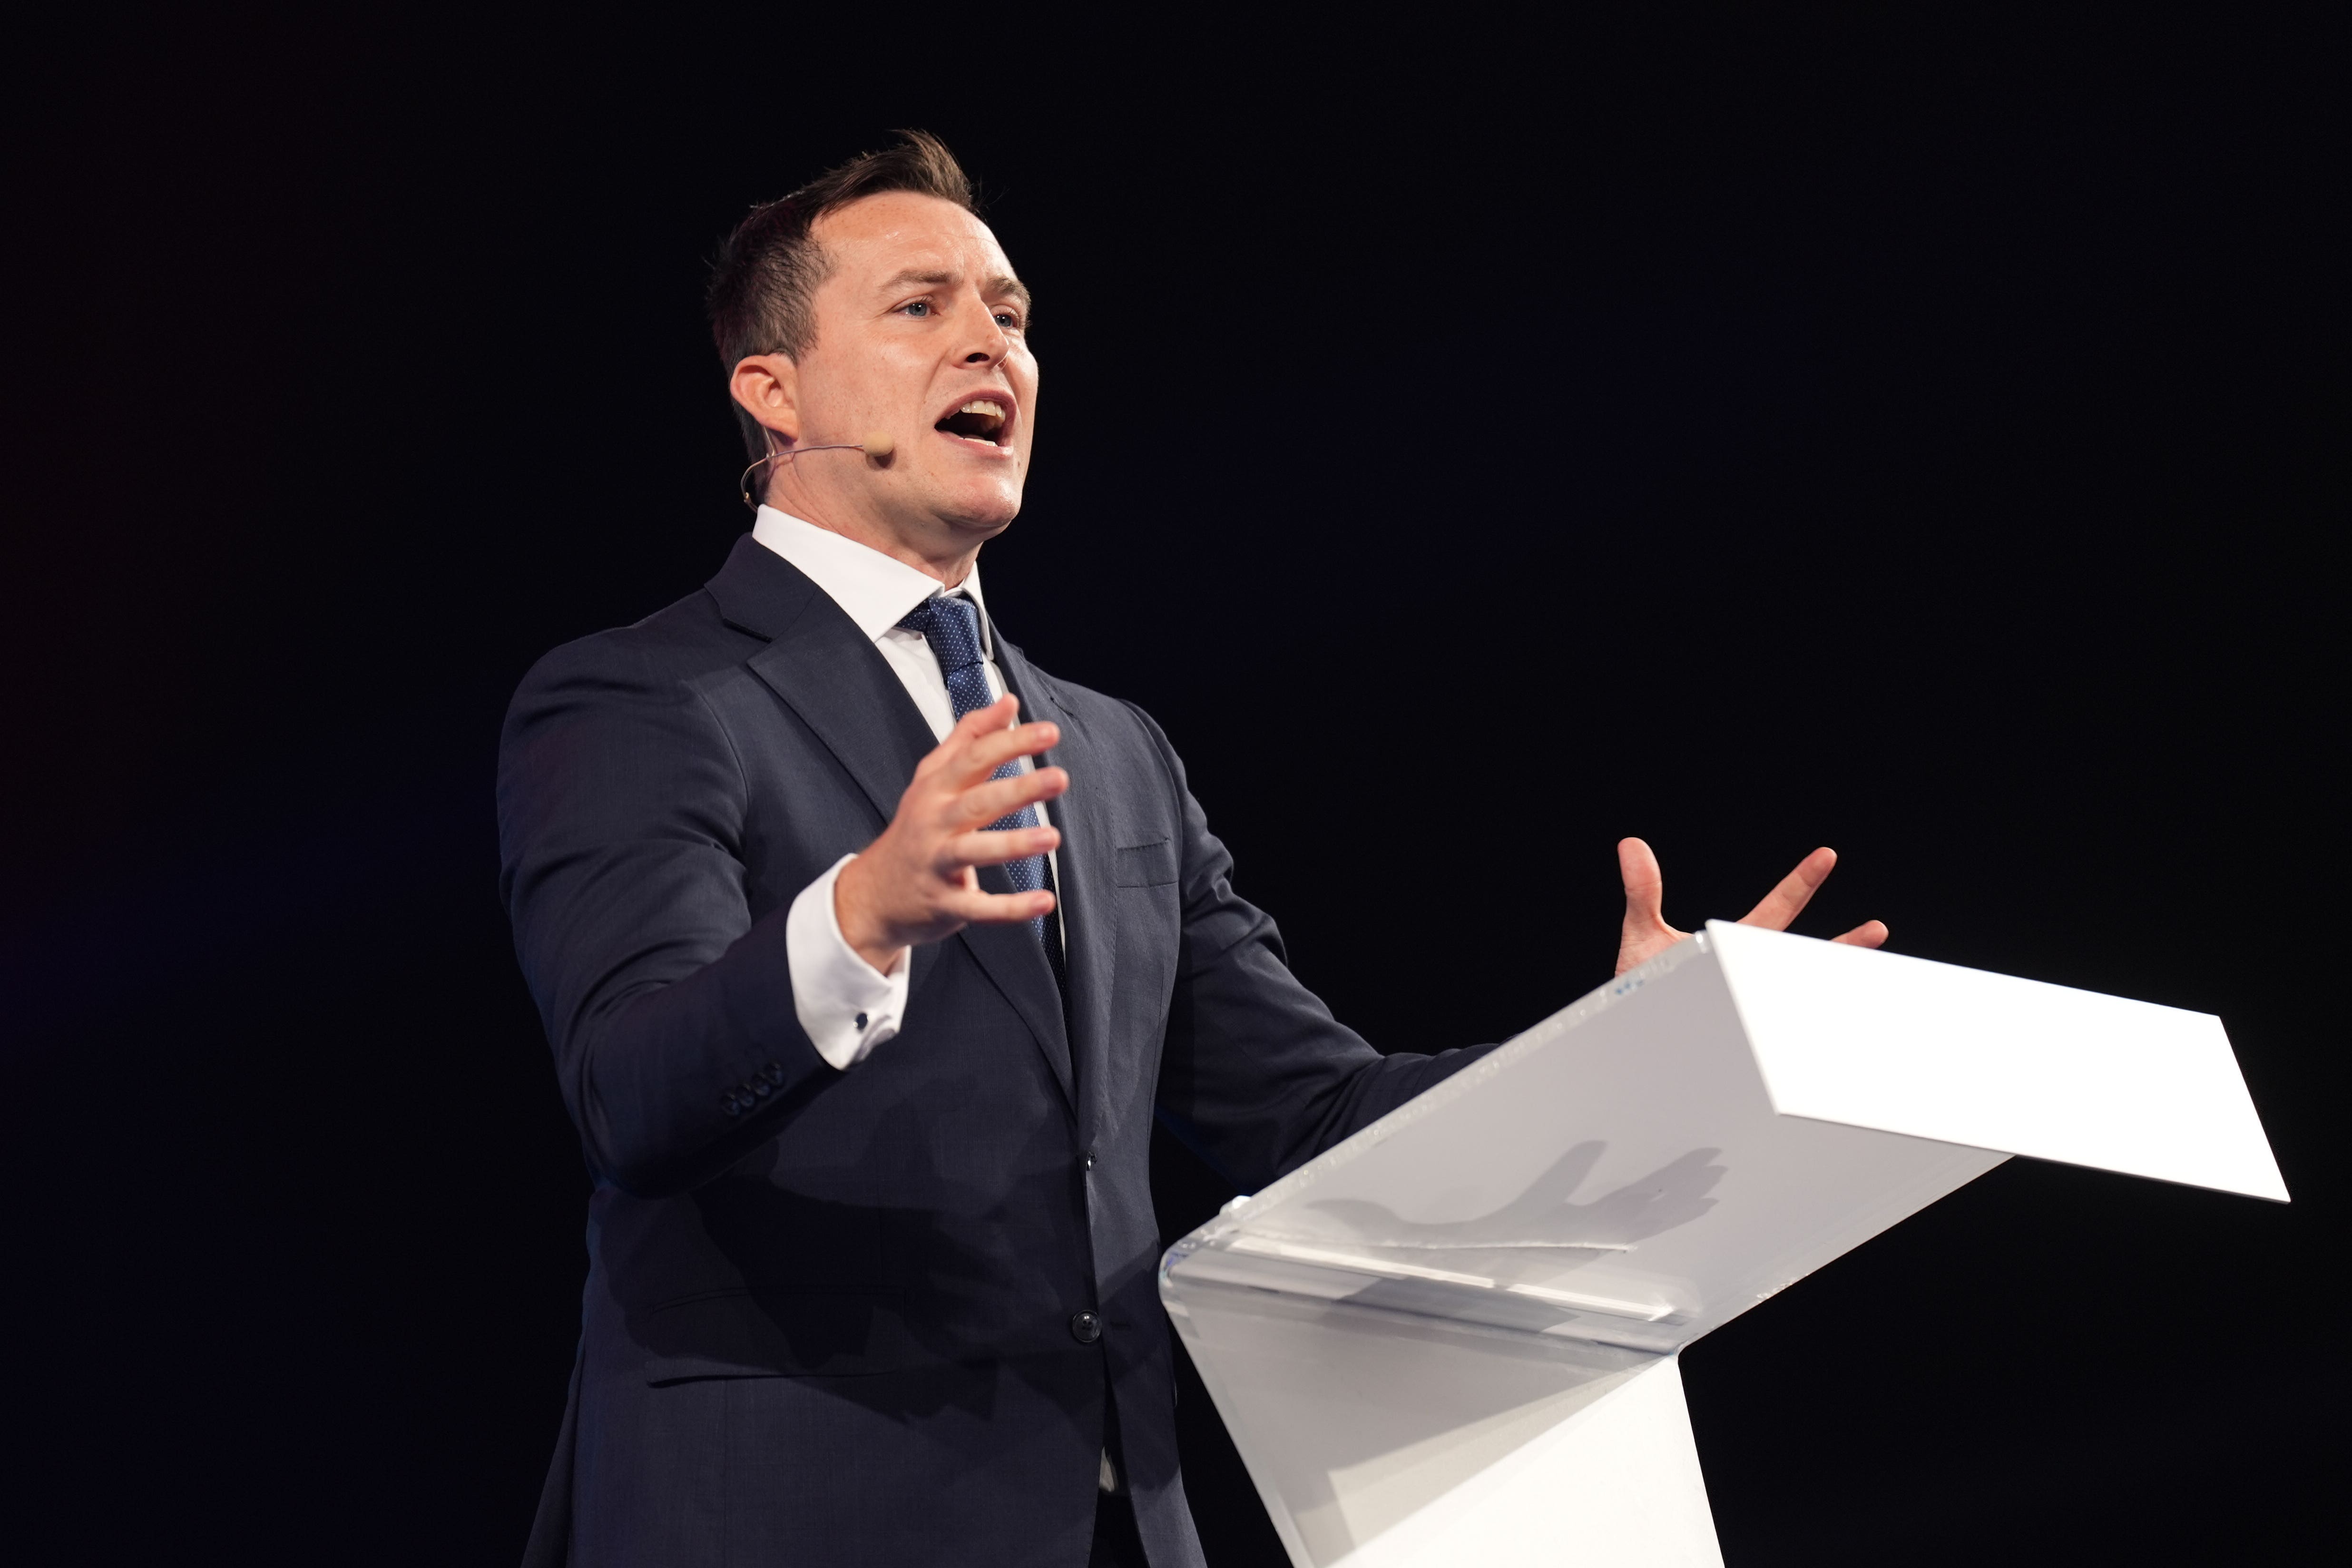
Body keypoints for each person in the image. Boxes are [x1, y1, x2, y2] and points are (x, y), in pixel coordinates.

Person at [496, 130, 1886, 1568]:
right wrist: (861, 914)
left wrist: (1637, 1042)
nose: (991, 342)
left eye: (1012, 316)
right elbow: (631, 1091)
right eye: (921, 307)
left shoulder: (1113, 753)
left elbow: (1313, 1116)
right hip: (788, 1515)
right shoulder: (643, 696)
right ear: (771, 391)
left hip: (1114, 1523)